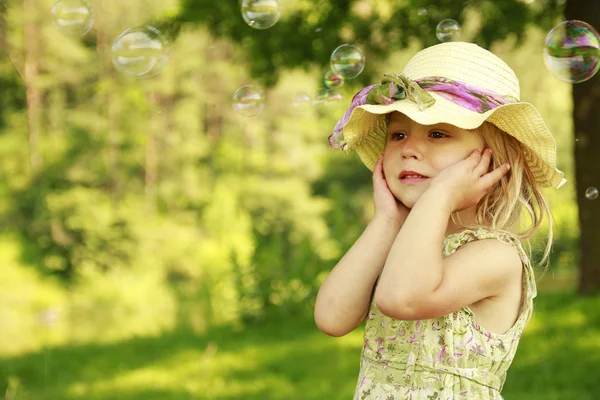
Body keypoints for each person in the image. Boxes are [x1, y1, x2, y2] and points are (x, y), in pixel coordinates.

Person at [314, 42, 566, 399]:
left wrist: (440, 195)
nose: (408, 149)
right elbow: (331, 317)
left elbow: (402, 297)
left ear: (492, 159)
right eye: (398, 134)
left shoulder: (496, 256)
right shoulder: (404, 243)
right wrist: (386, 220)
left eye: (437, 133)